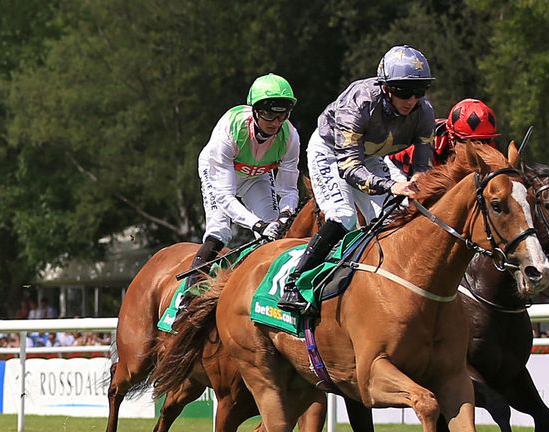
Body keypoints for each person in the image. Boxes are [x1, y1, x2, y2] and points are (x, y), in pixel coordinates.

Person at [278, 45, 436, 312]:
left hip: (369, 156)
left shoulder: (425, 112)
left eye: (419, 91)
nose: (411, 99)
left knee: (400, 213)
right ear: (385, 87)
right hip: (332, 152)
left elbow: (422, 167)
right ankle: (295, 282)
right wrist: (392, 185)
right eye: (402, 90)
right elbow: (349, 168)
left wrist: (415, 185)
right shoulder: (359, 100)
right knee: (343, 216)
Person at [186, 73, 301, 290]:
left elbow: (288, 190)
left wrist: (284, 216)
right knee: (220, 232)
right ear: (255, 111)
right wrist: (256, 224)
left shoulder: (290, 137)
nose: (276, 122)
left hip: (256, 177)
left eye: (283, 115)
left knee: (274, 231)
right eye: (269, 114)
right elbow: (225, 197)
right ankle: (188, 297)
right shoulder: (230, 129)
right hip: (218, 175)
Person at [386, 98, 500, 181]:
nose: (480, 148)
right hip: (399, 168)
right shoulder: (433, 145)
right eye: (471, 142)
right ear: (452, 139)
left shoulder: (488, 146)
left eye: (486, 141)